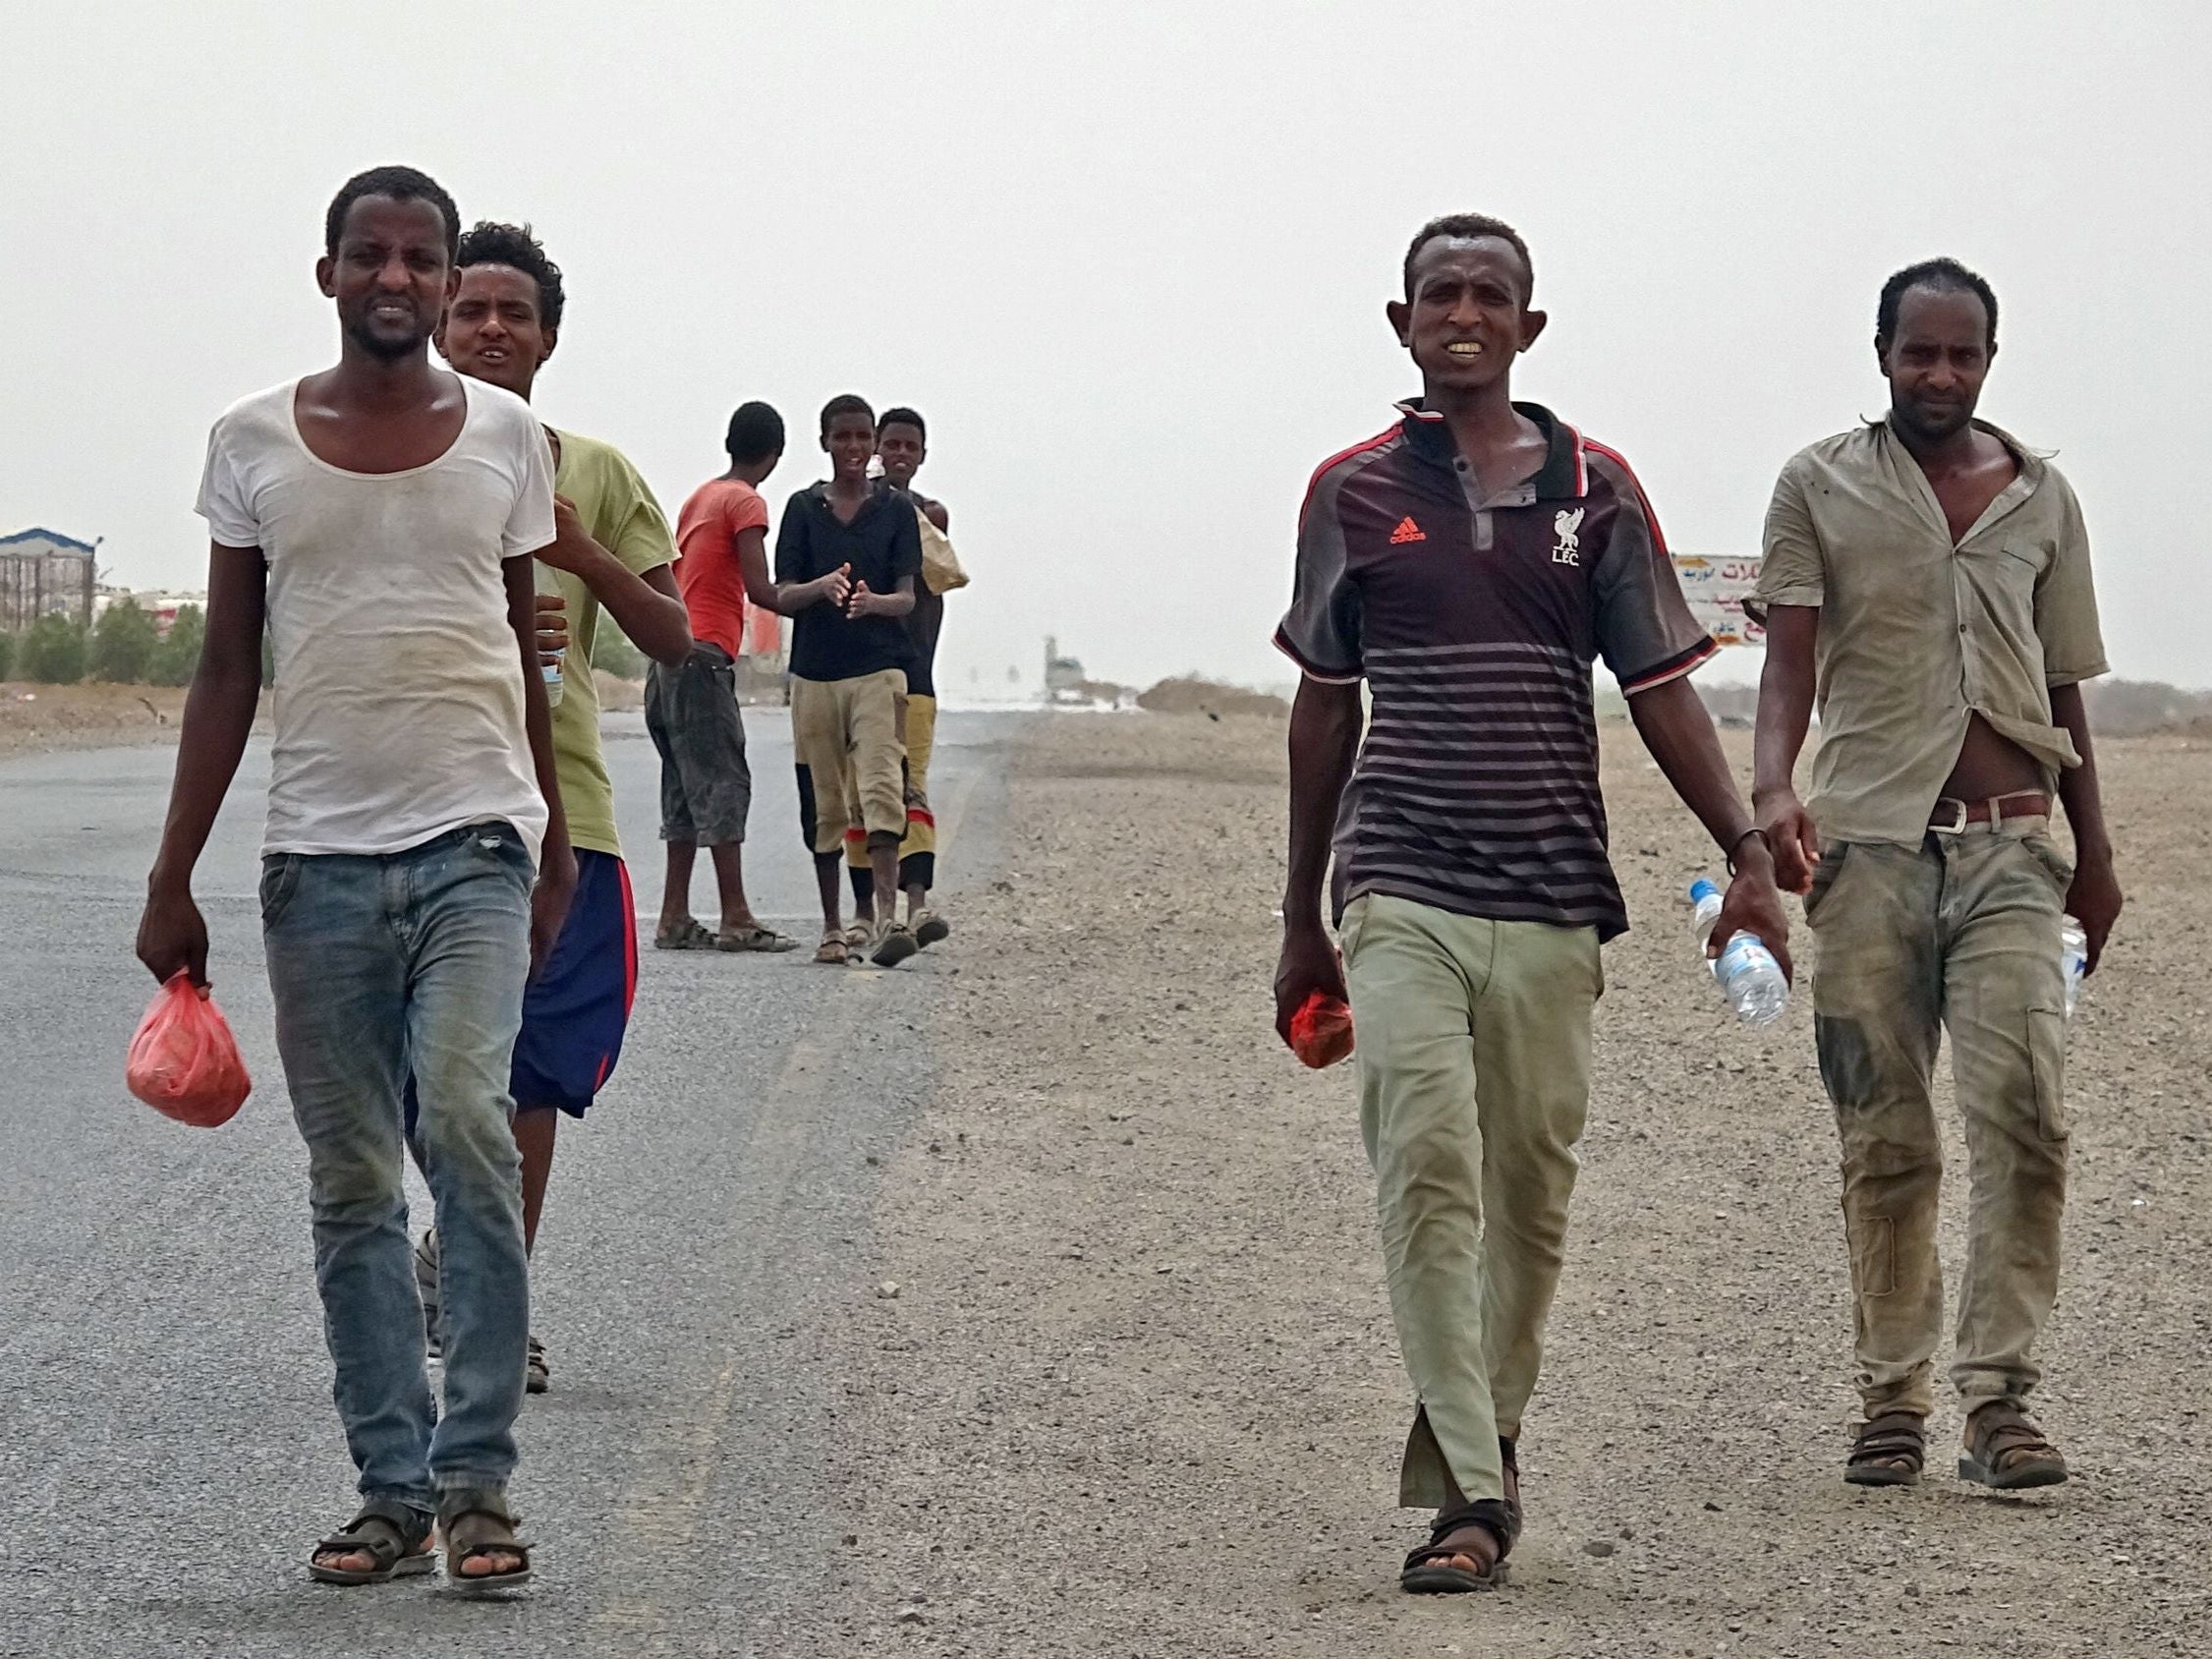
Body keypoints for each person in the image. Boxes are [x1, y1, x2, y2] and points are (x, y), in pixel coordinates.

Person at [1272, 213, 1790, 1596]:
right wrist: (1298, 917)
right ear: (1398, 323)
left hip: (1555, 888)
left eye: (1485, 295)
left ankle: (1484, 1430)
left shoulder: (1595, 490)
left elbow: (1659, 687)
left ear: (1526, 327)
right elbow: (1321, 713)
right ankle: (1473, 1496)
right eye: (1435, 293)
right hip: (1399, 882)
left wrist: (1740, 842)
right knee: (1425, 1170)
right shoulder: (1346, 492)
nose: (1459, 312)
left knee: (1529, 1189)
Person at [135, 166, 565, 1590]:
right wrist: (172, 869)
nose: (395, 279)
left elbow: (517, 643)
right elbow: (223, 665)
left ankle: (478, 1481)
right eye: (368, 256)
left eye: (419, 259)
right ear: (327, 275)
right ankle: (390, 1486)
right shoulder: (252, 441)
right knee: (351, 1182)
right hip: (313, 860)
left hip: (475, 846)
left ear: (448, 284)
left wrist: (552, 829)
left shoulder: (506, 436)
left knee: (467, 1127)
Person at [1749, 257, 2120, 1492]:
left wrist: (2097, 859)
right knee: (1885, 1129)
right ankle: (1890, 1395)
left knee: (2027, 1117)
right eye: (1919, 353)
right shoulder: (1818, 485)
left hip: (2017, 846)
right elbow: (1789, 660)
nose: (1940, 375)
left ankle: (2000, 1399)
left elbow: (2062, 679)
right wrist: (1772, 793)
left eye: (1962, 355)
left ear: (1990, 360)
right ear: (1881, 353)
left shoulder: (2041, 498)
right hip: (1867, 851)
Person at [416, 219, 697, 1400]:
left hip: (559, 813)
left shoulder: (600, 473)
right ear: (437, 320)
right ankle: (453, 1258)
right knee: (439, 1074)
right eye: (470, 308)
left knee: (535, 1075)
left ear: (548, 339)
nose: (488, 329)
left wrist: (579, 554)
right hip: (411, 804)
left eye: (512, 314)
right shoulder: (381, 454)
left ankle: (492, 1296)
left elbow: (678, 637)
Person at [771, 393, 923, 967]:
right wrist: (823, 587)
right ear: (826, 443)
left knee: (883, 788)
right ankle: (833, 926)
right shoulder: (803, 509)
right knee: (824, 799)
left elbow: (907, 595)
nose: (855, 449)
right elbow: (782, 593)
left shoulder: (895, 512)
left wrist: (872, 602)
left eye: (864, 438)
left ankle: (886, 920)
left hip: (880, 671)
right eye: (844, 438)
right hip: (815, 674)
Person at [654, 401, 799, 954]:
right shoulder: (745, 500)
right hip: (705, 655)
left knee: (682, 787)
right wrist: (821, 590)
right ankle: (736, 916)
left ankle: (674, 915)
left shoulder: (701, 496)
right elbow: (763, 592)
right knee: (722, 781)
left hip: (669, 653)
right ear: (775, 454)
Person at [843, 405, 959, 946]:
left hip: (914, 675)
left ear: (923, 455)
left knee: (913, 790)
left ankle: (917, 904)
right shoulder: (847, 509)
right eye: (892, 445)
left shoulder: (928, 515)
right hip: (862, 672)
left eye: (910, 448)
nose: (900, 456)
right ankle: (865, 908)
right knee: (862, 795)